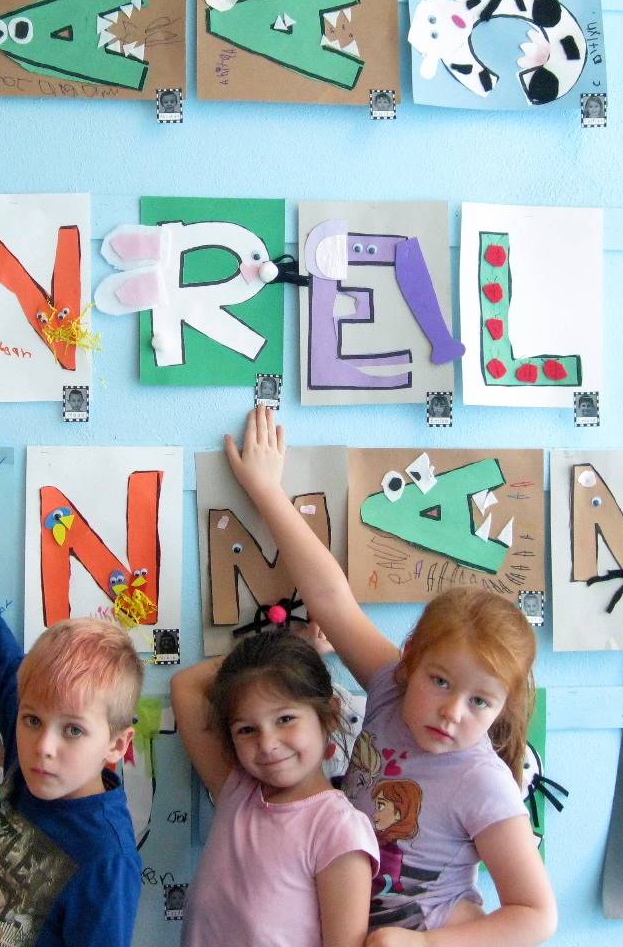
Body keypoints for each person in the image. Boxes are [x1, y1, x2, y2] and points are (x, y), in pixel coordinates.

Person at [226, 406, 557, 947]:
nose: (452, 712)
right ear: (410, 663)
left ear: (503, 707)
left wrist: (425, 944)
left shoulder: (484, 783)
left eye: (480, 702)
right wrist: (266, 491)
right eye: (441, 682)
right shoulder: (389, 688)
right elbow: (330, 597)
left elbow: (536, 915)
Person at [0, 501, 144, 947]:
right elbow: (6, 666)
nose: (43, 745)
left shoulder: (106, 859)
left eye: (74, 730)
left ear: (117, 745)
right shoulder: (33, 752)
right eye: (32, 720)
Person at [172, 631, 377, 947]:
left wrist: (294, 654)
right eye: (247, 729)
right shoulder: (238, 788)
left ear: (330, 716)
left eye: (285, 719)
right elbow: (185, 685)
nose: (267, 744)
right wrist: (291, 642)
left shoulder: (337, 829)